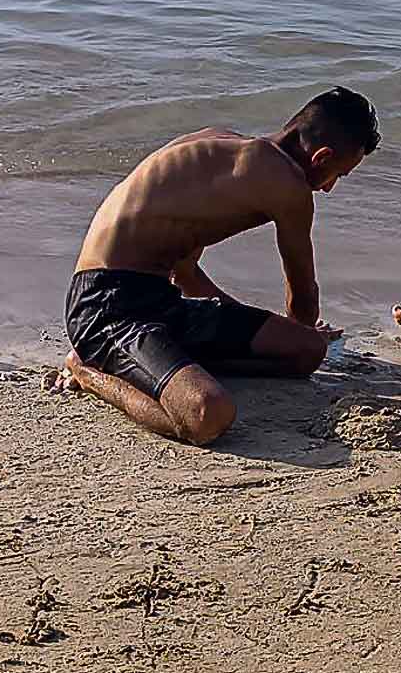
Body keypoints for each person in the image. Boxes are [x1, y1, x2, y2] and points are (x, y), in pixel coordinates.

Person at [54, 87, 381, 444]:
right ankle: (86, 370)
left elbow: (186, 274)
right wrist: (299, 327)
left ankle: (162, 366)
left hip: (159, 301)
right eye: (338, 175)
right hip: (107, 306)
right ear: (321, 157)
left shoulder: (218, 147)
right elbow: (303, 296)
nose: (330, 188)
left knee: (307, 351)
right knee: (207, 416)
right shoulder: (287, 186)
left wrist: (295, 338)